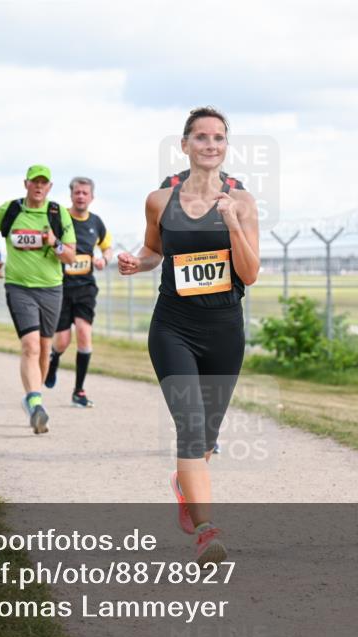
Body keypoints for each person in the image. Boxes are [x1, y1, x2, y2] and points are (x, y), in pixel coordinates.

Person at [117, 107, 260, 565]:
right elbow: (154, 250)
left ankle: (185, 483)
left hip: (224, 329)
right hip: (173, 327)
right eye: (201, 137)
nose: (210, 145)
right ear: (184, 145)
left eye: (218, 138)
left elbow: (250, 273)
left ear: (226, 146)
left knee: (208, 436)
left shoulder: (243, 200)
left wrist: (233, 222)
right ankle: (206, 530)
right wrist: (136, 263)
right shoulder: (160, 201)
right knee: (191, 428)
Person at [0, 165, 76, 434]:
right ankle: (35, 403)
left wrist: (53, 242)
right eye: (34, 182)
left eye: (44, 183)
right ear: (25, 183)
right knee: (30, 346)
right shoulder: (10, 210)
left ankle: (35, 399)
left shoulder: (57, 213)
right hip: (18, 286)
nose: (39, 186)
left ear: (49, 187)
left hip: (51, 288)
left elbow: (70, 256)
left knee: (45, 349)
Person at [44, 177, 114, 407]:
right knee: (63, 340)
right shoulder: (61, 218)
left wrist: (104, 259)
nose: (81, 196)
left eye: (85, 193)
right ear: (71, 195)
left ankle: (79, 391)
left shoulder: (96, 222)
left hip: (85, 287)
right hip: (61, 287)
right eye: (77, 192)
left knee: (84, 333)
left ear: (92, 197)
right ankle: (54, 360)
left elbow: (107, 247)